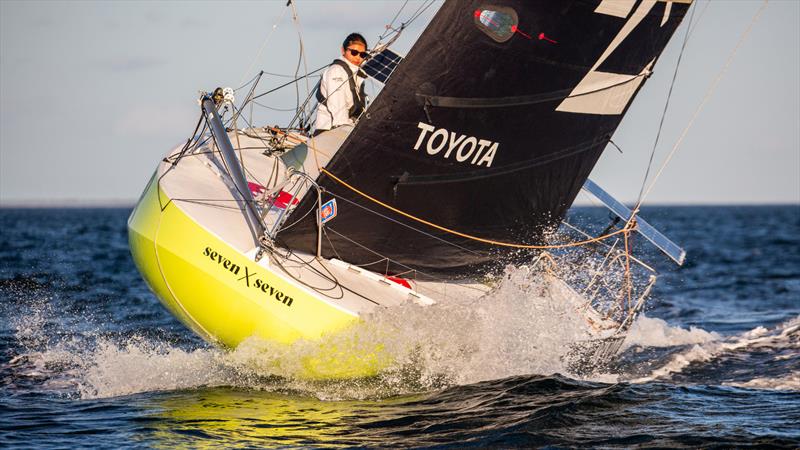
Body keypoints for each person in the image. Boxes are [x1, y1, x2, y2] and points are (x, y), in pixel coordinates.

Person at [314, 33, 369, 135]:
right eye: (354, 52)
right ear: (343, 50)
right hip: (330, 132)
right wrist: (345, 131)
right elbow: (337, 106)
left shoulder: (357, 74)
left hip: (347, 130)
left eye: (362, 55)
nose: (358, 57)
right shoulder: (336, 71)